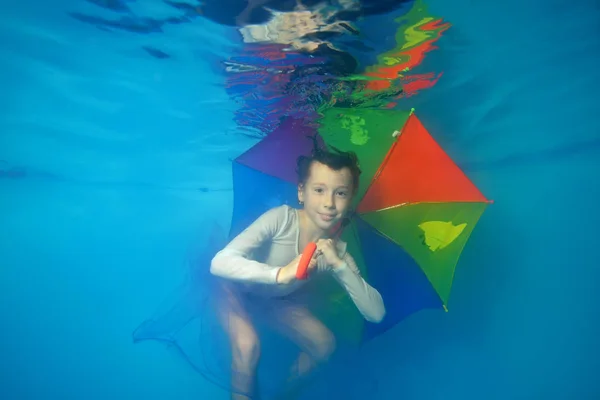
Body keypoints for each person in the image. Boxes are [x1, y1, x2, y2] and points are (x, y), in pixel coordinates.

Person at [210, 143, 386, 399]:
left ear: (350, 200)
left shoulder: (337, 251)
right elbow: (220, 262)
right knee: (247, 346)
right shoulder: (281, 219)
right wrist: (279, 273)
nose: (328, 203)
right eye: (319, 190)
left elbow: (376, 313)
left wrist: (338, 265)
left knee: (324, 345)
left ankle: (283, 393)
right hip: (233, 290)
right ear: (301, 192)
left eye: (340, 193)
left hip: (276, 301)